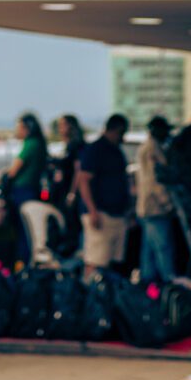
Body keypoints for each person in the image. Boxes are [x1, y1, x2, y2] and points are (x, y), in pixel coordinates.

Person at [77, 114, 131, 279]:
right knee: (95, 260)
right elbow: (83, 180)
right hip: (100, 213)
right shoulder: (96, 149)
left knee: (112, 262)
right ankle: (90, 298)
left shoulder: (116, 151)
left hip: (117, 214)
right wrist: (93, 210)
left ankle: (106, 297)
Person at [2, 113, 48, 264]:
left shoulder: (31, 144)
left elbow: (13, 170)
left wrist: (4, 177)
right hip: (32, 190)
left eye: (19, 127)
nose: (17, 131)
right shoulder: (40, 144)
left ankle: (23, 263)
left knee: (24, 232)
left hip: (23, 192)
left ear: (27, 128)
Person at [136, 115, 177, 284]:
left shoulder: (150, 147)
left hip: (149, 208)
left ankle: (150, 287)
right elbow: (154, 181)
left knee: (150, 252)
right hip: (155, 208)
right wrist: (168, 203)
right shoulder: (152, 149)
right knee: (163, 249)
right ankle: (169, 285)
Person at [51, 114, 85, 251]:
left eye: (62, 125)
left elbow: (79, 170)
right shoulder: (66, 146)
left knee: (73, 227)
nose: (60, 129)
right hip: (63, 192)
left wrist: (72, 192)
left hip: (71, 193)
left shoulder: (76, 146)